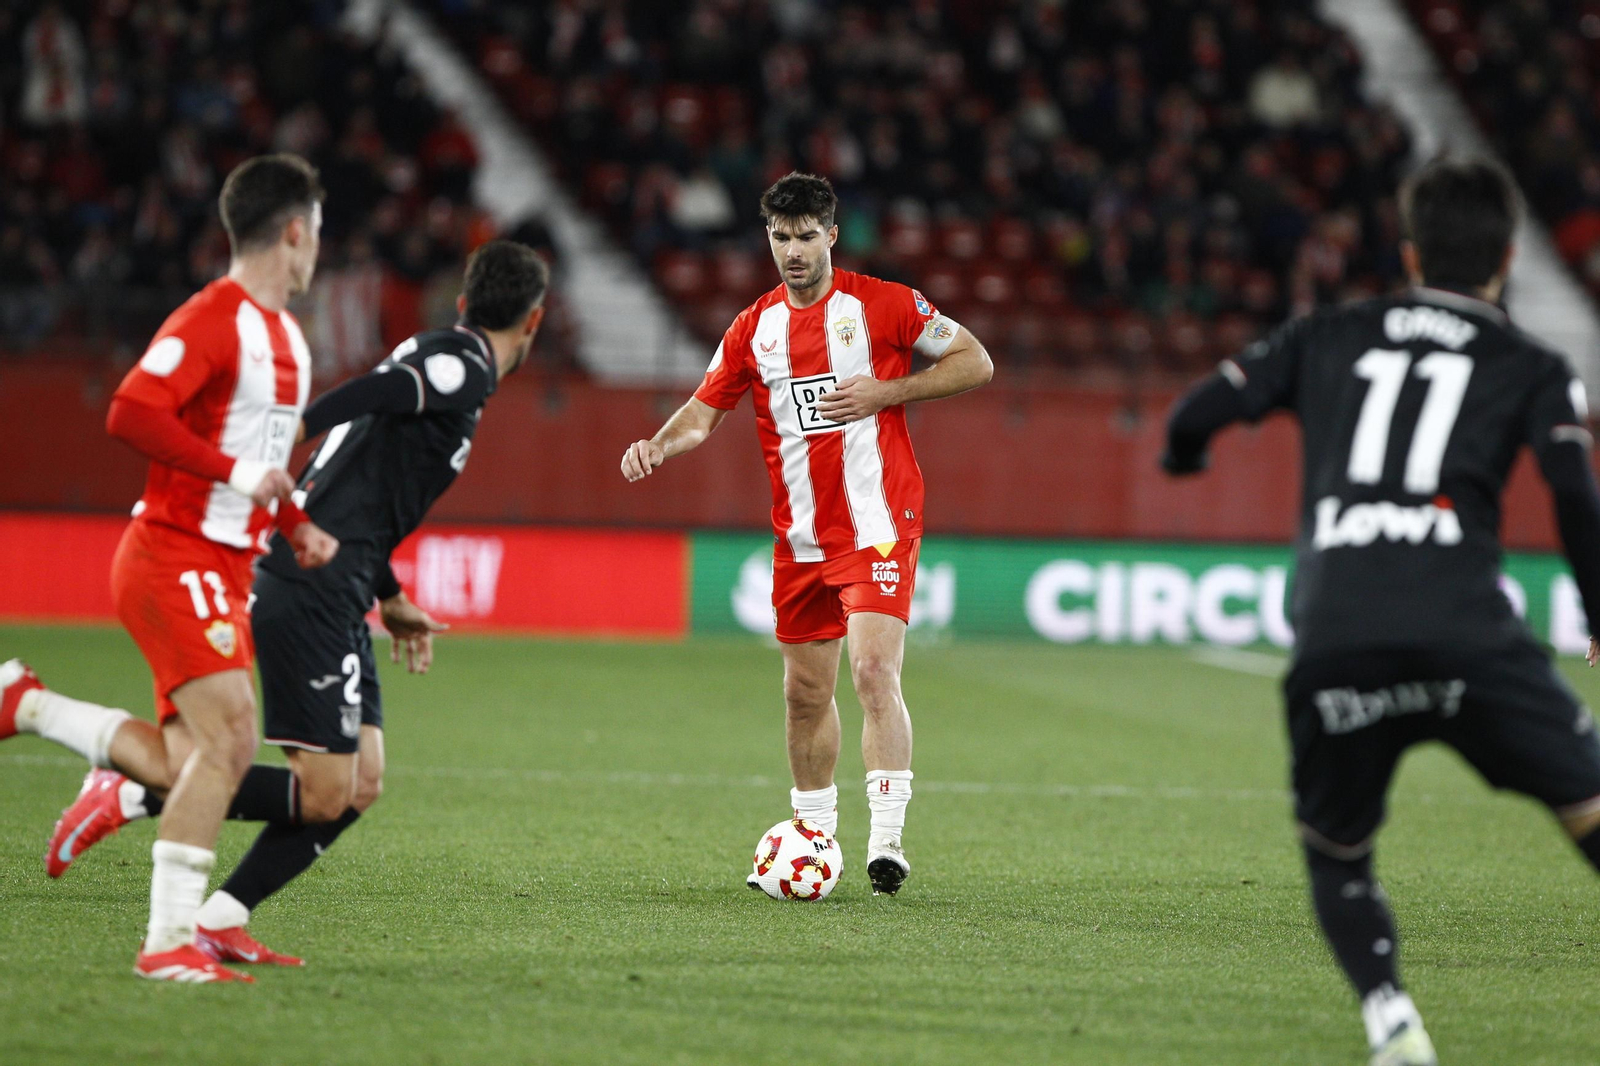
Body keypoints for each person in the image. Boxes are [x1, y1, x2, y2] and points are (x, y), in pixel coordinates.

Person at [1161, 158, 1600, 1066]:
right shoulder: (1532, 365)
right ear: (1506, 260)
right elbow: (1574, 492)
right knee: (1589, 812)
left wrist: (1182, 456)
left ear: (1408, 252)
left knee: (1338, 852)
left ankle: (1391, 1018)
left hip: (1338, 639)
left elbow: (1196, 412)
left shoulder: (1325, 332)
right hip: (1470, 636)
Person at [29, 239, 549, 967]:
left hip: (344, 580)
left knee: (360, 782)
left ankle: (219, 917)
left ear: (465, 301)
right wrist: (292, 432)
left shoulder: (452, 363)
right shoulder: (460, 363)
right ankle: (142, 786)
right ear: (535, 319)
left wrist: (391, 597)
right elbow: (374, 394)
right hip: (312, 588)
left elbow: (364, 487)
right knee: (324, 791)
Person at [0, 153, 339, 983]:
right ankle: (166, 945)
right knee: (231, 739)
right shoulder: (212, 320)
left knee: (188, 763)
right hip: (171, 553)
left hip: (223, 566)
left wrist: (296, 526)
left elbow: (259, 460)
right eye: (316, 234)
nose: (316, 252)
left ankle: (28, 704)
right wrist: (235, 482)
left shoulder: (288, 339)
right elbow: (130, 410)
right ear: (294, 232)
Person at [620, 173, 993, 895]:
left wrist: (888, 392)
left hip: (878, 524)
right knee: (803, 694)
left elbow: (975, 360)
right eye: (779, 237)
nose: (792, 251)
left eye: (803, 236)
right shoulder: (752, 328)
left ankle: (887, 844)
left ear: (830, 233)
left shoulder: (884, 304)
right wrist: (659, 445)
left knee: (873, 672)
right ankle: (814, 837)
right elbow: (703, 411)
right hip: (800, 540)